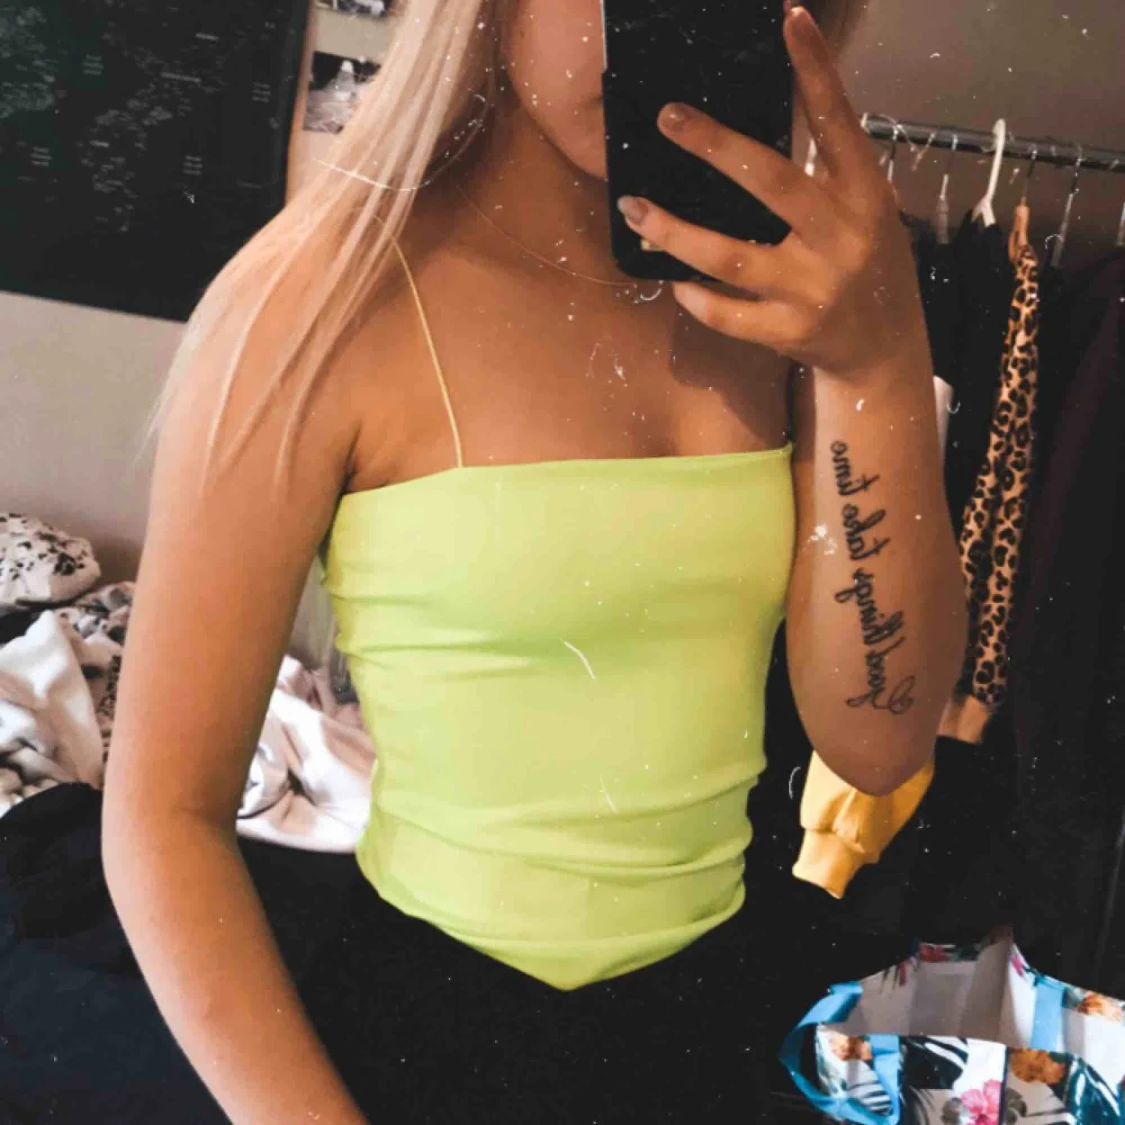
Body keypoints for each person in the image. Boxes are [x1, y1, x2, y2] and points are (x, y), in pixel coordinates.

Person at [101, 0, 966, 1121]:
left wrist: (880, 359)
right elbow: (163, 813)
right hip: (425, 1040)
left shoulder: (792, 301)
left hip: (715, 1023)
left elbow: (879, 740)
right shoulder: (319, 299)